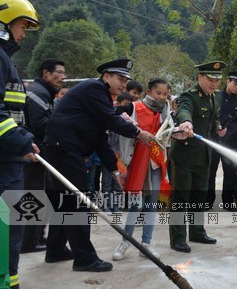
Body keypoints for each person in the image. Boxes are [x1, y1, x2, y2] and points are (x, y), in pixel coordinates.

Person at [44, 58, 155, 272]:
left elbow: (100, 140)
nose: (124, 85)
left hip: (63, 150)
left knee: (64, 201)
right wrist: (138, 133)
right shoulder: (94, 89)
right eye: (120, 79)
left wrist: (115, 170)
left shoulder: (101, 97)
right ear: (106, 76)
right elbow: (111, 121)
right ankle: (84, 258)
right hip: (64, 150)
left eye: (126, 80)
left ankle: (55, 250)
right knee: (78, 202)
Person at [0, 0, 43, 289]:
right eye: (21, 25)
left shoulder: (5, 59)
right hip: (4, 164)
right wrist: (21, 142)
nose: (23, 33)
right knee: (8, 235)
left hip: (11, 159)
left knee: (12, 233)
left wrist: (23, 142)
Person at [169, 61, 226, 253]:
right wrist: (186, 123)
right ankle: (178, 239)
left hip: (204, 155)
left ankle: (197, 232)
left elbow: (213, 118)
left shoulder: (215, 97)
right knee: (181, 197)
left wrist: (218, 128)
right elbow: (183, 111)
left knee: (199, 195)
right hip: (184, 156)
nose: (214, 84)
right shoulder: (188, 96)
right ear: (200, 77)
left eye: (217, 80)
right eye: (210, 79)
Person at [113, 78, 171, 261]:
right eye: (158, 93)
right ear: (148, 91)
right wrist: (135, 128)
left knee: (151, 205)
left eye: (164, 94)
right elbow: (116, 113)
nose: (161, 97)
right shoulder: (134, 107)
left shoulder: (167, 112)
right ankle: (125, 242)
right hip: (137, 162)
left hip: (155, 164)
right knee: (135, 205)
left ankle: (146, 244)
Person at [22, 59, 66, 254]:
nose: (63, 77)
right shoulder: (38, 92)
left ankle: (37, 236)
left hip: (41, 152)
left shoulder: (44, 92)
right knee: (34, 196)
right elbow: (41, 125)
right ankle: (28, 242)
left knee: (47, 193)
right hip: (33, 153)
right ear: (46, 74)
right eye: (59, 72)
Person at [206, 70, 237, 212]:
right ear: (228, 81)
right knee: (210, 173)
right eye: (235, 84)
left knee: (230, 173)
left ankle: (228, 201)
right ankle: (208, 201)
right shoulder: (214, 96)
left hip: (231, 143)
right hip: (213, 140)